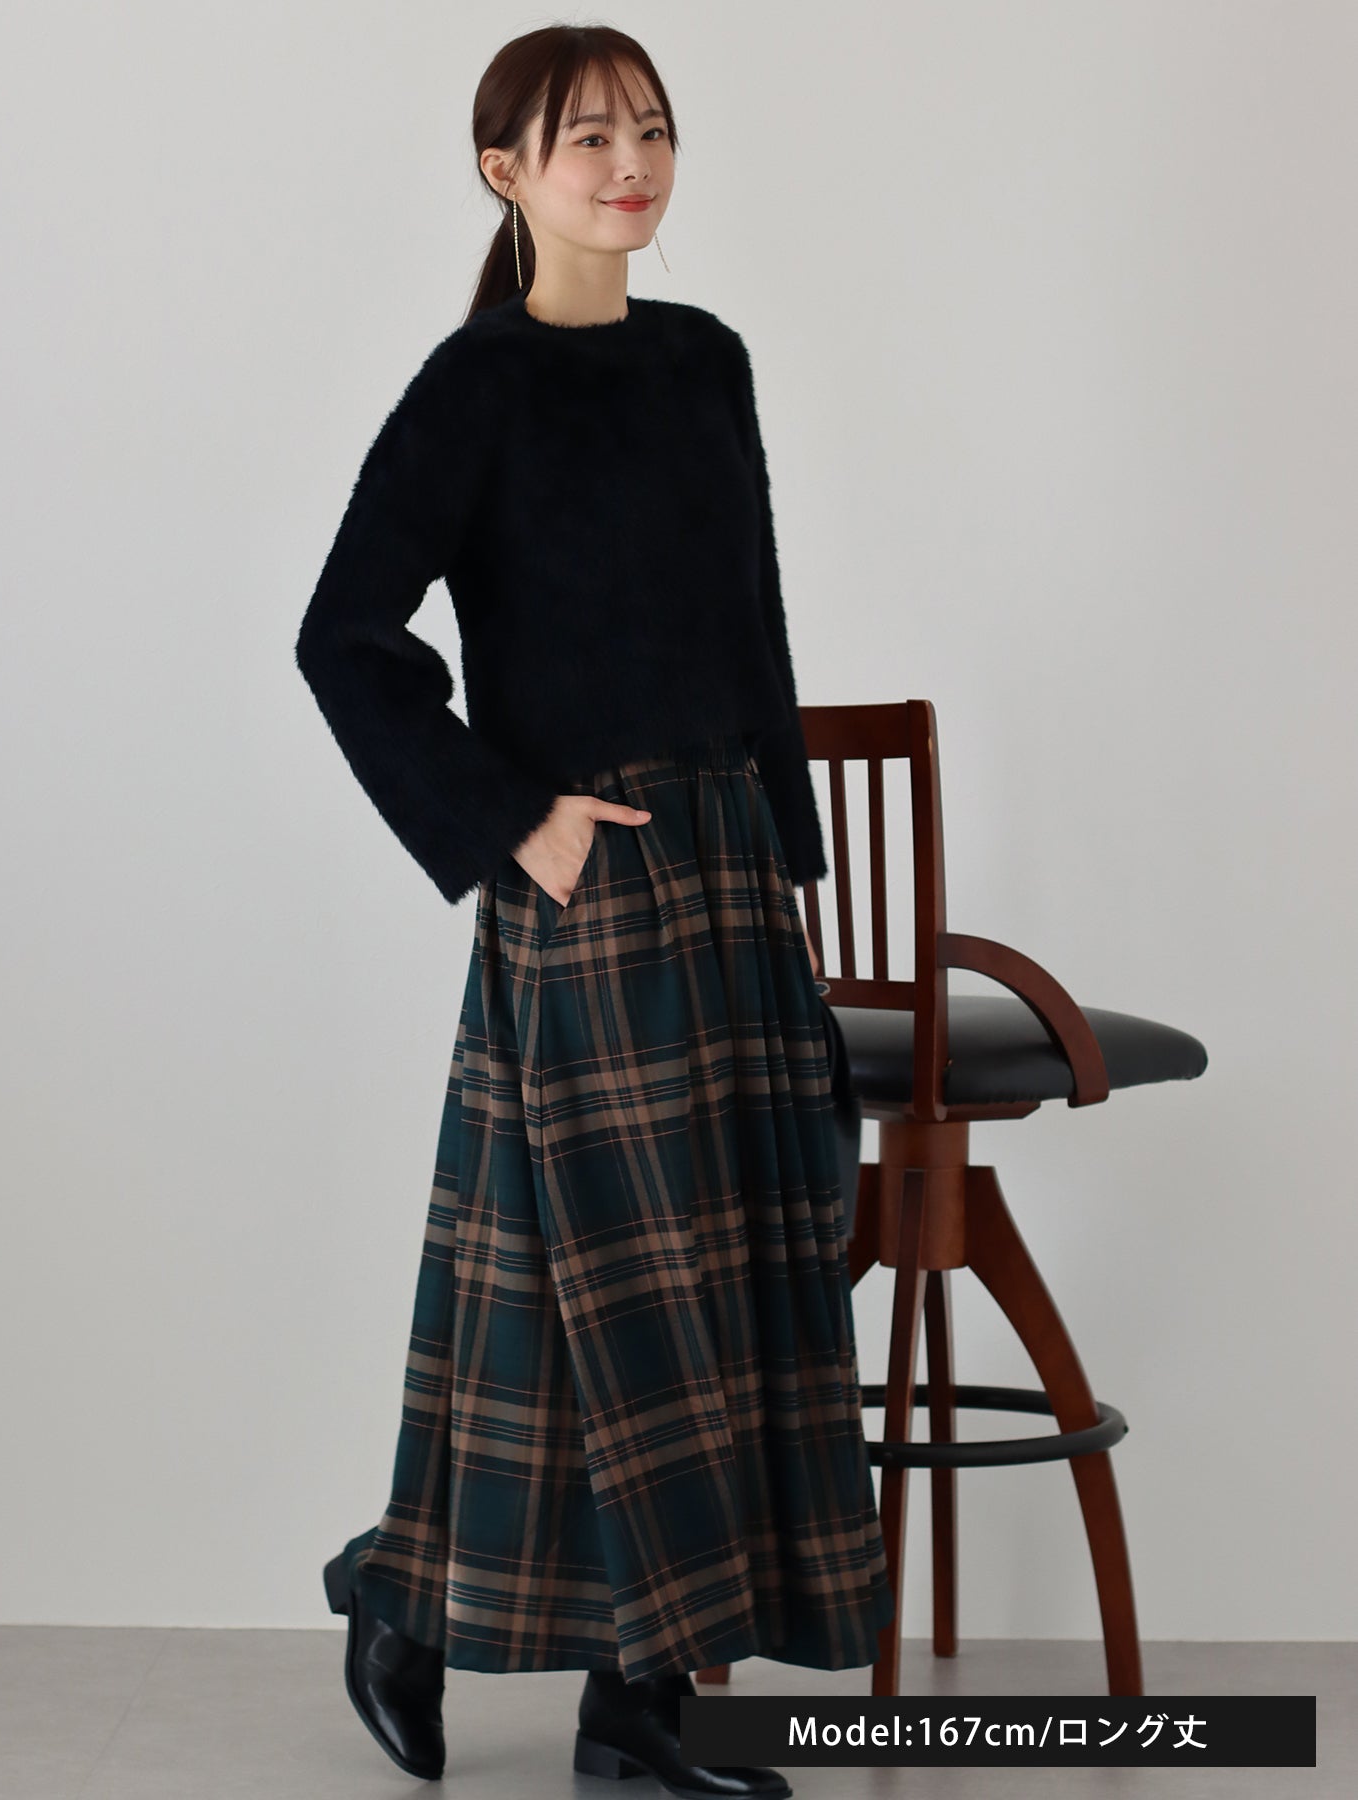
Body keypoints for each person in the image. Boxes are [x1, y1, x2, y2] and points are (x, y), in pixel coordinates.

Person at [296, 24, 894, 1799]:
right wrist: (509, 822)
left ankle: (511, 1646)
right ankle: (603, 1687)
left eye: (651, 130)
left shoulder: (707, 363)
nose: (631, 164)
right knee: (628, 1293)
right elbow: (343, 637)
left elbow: (754, 627)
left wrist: (786, 863)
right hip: (592, 876)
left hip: (728, 867)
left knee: (697, 1279)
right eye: (588, 138)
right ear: (506, 171)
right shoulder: (474, 386)